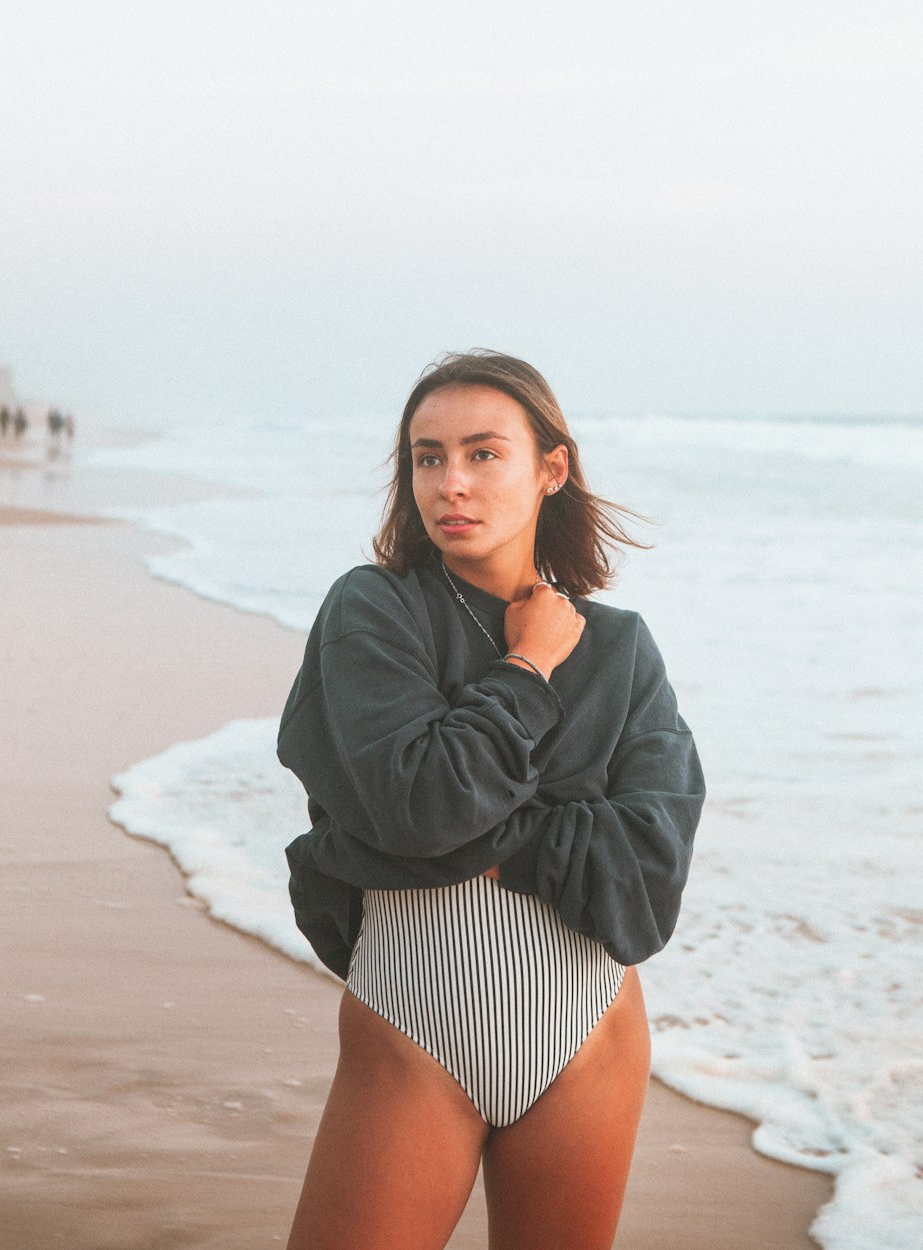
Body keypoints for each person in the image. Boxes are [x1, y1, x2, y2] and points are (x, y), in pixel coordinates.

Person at [277, 350, 705, 1249]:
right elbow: (422, 807)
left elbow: (652, 867)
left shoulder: (623, 648)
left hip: (590, 1036)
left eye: (482, 453)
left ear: (552, 468)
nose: (451, 484)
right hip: (412, 1025)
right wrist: (527, 666)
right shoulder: (375, 609)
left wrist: (462, 833)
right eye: (427, 458)